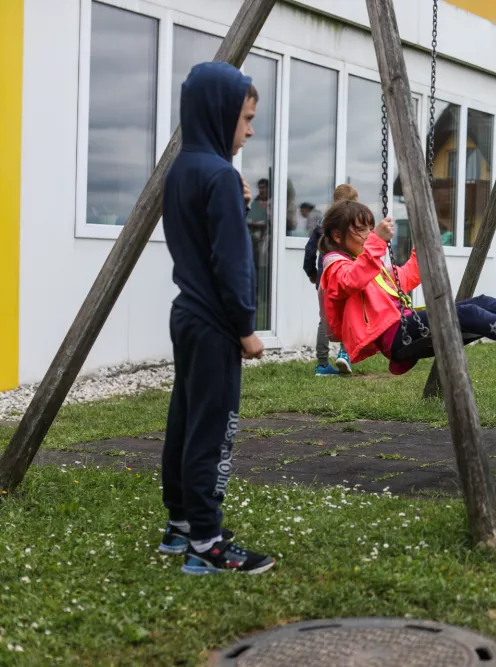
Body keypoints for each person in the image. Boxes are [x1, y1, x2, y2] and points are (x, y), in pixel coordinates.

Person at [159, 62, 274, 573]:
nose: (250, 130)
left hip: (186, 314)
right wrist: (246, 327)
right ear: (218, 113)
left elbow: (200, 235)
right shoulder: (220, 175)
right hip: (215, 323)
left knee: (185, 420)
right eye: (245, 118)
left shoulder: (183, 169)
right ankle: (206, 543)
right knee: (215, 428)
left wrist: (235, 200)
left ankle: (181, 524)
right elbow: (232, 261)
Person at [319, 201, 496, 374]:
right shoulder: (334, 266)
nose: (369, 235)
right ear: (337, 236)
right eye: (361, 230)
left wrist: (423, 250)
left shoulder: (365, 262)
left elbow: (404, 279)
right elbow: (350, 281)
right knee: (468, 315)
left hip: (403, 326)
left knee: (484, 302)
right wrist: (376, 243)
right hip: (395, 338)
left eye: (370, 229)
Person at [304, 185, 357, 375]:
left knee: (324, 319)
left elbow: (310, 250)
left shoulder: (323, 223)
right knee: (348, 314)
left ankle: (322, 364)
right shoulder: (353, 225)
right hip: (345, 275)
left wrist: (311, 273)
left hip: (325, 278)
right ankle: (344, 353)